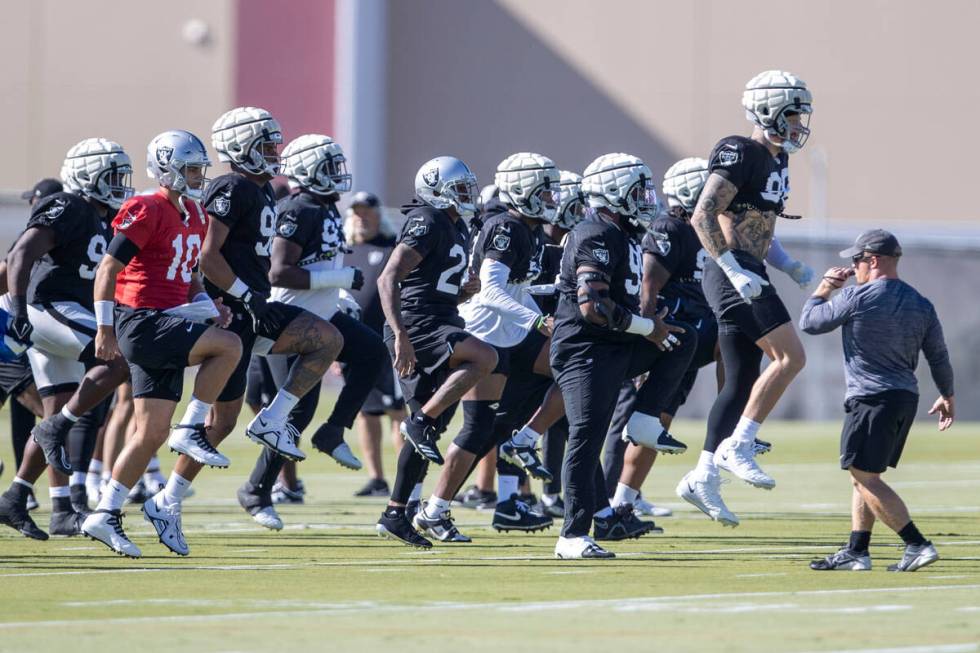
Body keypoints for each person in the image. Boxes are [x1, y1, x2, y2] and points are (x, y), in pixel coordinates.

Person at [155, 107, 345, 519]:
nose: (274, 151)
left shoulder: (261, 190)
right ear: (241, 147)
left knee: (328, 338)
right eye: (266, 144)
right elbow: (207, 255)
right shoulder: (232, 186)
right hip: (231, 310)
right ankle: (167, 495)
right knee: (215, 423)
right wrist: (244, 293)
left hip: (252, 307)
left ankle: (269, 421)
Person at [80, 129, 242, 557]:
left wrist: (208, 305)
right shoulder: (145, 207)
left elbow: (188, 276)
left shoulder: (195, 214)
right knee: (229, 346)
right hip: (141, 321)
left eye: (199, 168)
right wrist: (105, 328)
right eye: (190, 168)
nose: (197, 176)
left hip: (168, 318)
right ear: (167, 169)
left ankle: (105, 512)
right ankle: (193, 427)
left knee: (150, 431)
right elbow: (108, 269)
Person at [677, 70, 815, 527]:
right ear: (767, 111)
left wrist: (789, 264)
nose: (799, 125)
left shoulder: (778, 160)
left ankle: (702, 477)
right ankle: (739, 444)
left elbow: (756, 226)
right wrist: (733, 269)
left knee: (738, 381)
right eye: (792, 114)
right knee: (791, 358)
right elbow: (703, 214)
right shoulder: (740, 149)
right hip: (731, 272)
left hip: (747, 269)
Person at [237, 133, 387, 530]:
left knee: (372, 350)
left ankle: (334, 430)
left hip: (321, 313)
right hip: (288, 317)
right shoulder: (298, 209)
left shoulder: (323, 209)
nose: (337, 175)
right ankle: (257, 490)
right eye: (328, 167)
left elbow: (316, 265)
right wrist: (340, 278)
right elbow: (280, 271)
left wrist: (338, 296)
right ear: (307, 170)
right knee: (295, 413)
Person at [551, 153, 696, 559]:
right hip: (585, 349)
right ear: (614, 191)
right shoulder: (595, 232)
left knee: (683, 340)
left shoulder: (624, 235)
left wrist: (653, 326)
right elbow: (591, 307)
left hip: (614, 344)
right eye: (639, 190)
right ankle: (572, 536)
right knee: (586, 437)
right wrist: (647, 328)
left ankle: (646, 420)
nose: (647, 198)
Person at [413, 152, 560, 542]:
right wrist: (536, 321)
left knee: (575, 367)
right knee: (478, 430)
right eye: (544, 191)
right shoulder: (507, 227)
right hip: (488, 333)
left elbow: (516, 288)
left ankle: (525, 437)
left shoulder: (527, 228)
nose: (552, 199)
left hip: (512, 331)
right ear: (522, 191)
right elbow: (492, 289)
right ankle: (434, 510)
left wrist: (545, 314)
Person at [0, 139, 134, 539]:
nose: (118, 184)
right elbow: (22, 252)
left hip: (66, 313)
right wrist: (20, 310)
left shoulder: (102, 217)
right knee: (118, 359)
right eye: (111, 175)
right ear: (86, 174)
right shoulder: (69, 205)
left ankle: (31, 501)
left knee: (55, 407)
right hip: (45, 308)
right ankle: (58, 428)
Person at [802, 229, 953, 572]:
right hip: (904, 398)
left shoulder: (857, 296)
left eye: (856, 261)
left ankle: (916, 543)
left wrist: (825, 288)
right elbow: (938, 356)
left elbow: (809, 323)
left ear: (873, 261)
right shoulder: (921, 303)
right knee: (863, 475)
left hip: (871, 399)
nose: (853, 267)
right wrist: (947, 394)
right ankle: (857, 551)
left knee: (865, 476)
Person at [375, 155, 497, 549]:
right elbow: (388, 277)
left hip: (440, 316)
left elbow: (431, 278)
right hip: (418, 322)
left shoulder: (454, 224)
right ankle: (421, 421)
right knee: (485, 358)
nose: (468, 195)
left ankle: (396, 513)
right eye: (460, 189)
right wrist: (400, 335)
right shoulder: (427, 219)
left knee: (429, 428)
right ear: (435, 189)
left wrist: (462, 291)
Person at [344, 190, 406, 497]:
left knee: (397, 409)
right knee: (365, 412)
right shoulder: (344, 250)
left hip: (387, 341)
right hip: (354, 345)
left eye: (366, 211)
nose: (361, 217)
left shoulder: (391, 247)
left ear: (377, 214)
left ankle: (404, 476)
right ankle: (377, 479)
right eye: (356, 212)